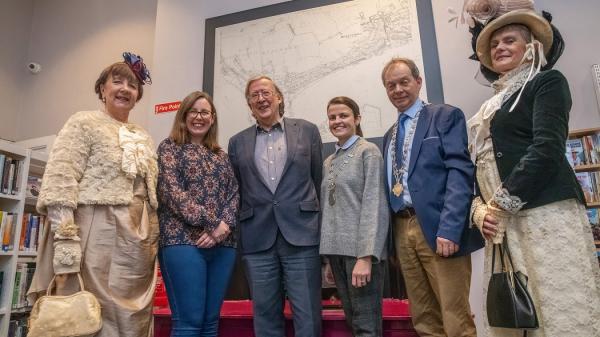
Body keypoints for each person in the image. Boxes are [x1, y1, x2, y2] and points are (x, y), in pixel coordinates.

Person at [465, 2, 600, 336]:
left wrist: (502, 203)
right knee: (518, 313)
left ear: (531, 47)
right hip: (503, 226)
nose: (499, 47)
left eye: (509, 40)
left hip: (545, 214)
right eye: (494, 44)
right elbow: (479, 166)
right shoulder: (487, 109)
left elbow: (547, 148)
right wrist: (480, 211)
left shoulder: (547, 82)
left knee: (557, 307)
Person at [27, 52, 158, 337]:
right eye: (118, 81)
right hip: (95, 230)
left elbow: (149, 192)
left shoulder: (144, 136)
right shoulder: (83, 122)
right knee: (88, 314)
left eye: (133, 85)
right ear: (102, 88)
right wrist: (66, 240)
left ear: (138, 96)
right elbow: (60, 180)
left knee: (131, 321)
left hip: (137, 239)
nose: (125, 88)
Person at [382, 57, 484, 337]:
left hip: (439, 228)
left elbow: (460, 173)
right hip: (403, 229)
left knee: (455, 317)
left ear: (418, 81)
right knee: (424, 318)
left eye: (404, 82)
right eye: (391, 85)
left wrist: (451, 229)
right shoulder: (389, 135)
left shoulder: (444, 116)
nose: (398, 89)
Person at [227, 75, 323, 337]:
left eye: (266, 92)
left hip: (302, 235)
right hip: (257, 239)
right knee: (265, 316)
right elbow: (237, 189)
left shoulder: (307, 130)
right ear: (249, 105)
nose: (261, 99)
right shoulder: (237, 142)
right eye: (254, 95)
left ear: (279, 97)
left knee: (308, 315)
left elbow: (318, 180)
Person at [157, 91, 239, 337]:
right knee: (189, 323)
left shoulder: (221, 156)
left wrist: (222, 229)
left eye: (205, 112)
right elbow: (172, 193)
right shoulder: (169, 148)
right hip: (182, 242)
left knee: (210, 322)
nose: (199, 117)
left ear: (212, 118)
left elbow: (234, 194)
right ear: (183, 115)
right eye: (193, 111)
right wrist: (214, 224)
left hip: (223, 245)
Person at [320, 96, 389, 337]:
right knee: (352, 322)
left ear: (357, 119)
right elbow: (331, 210)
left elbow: (375, 205)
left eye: (343, 116)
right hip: (337, 254)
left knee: (366, 326)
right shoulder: (329, 161)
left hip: (360, 254)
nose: (337, 121)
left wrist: (366, 256)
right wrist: (329, 259)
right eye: (332, 117)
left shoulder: (368, 152)